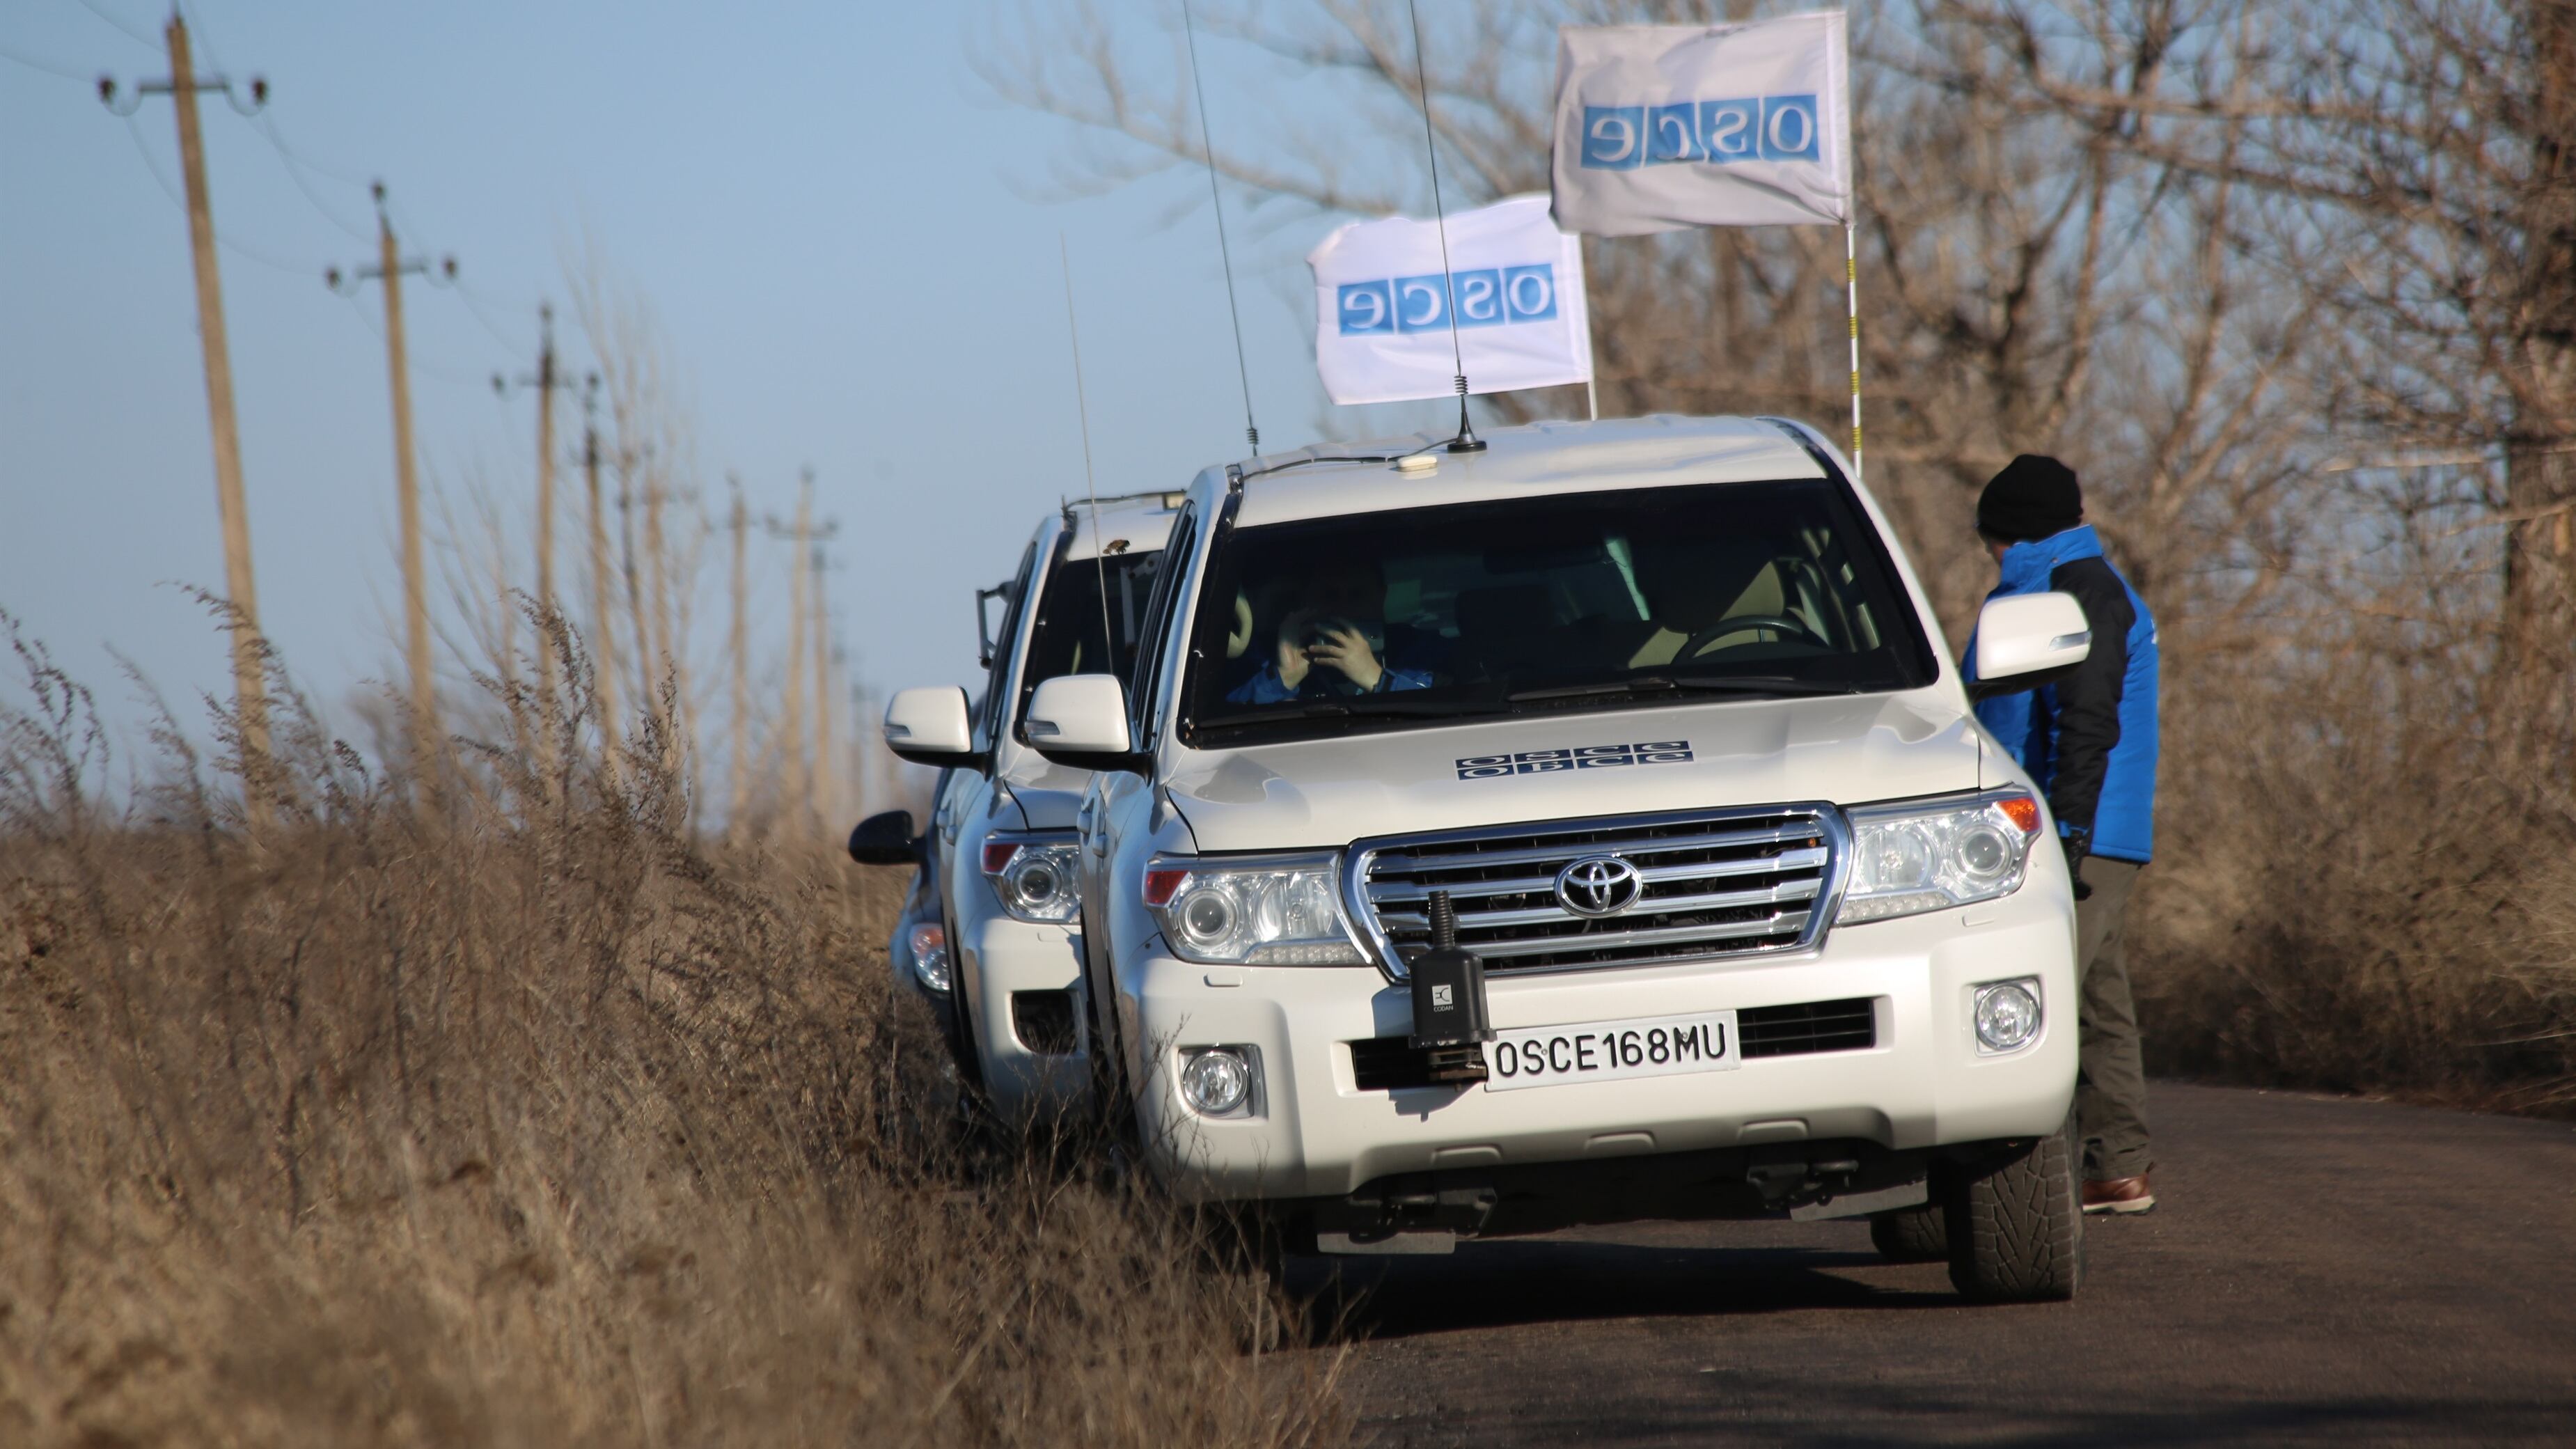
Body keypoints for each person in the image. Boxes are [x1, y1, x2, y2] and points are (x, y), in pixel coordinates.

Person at [1967, 455, 2162, 1216]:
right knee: (2096, 1000)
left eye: (1991, 539)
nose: (1989, 553)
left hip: (2082, 831)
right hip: (2086, 828)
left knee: (2034, 1003)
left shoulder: (2082, 594)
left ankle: (2014, 1187)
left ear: (2013, 536)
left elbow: (2088, 723)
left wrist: (2069, 829)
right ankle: (2116, 1168)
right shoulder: (2063, 586)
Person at [1227, 559, 1434, 703]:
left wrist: (1376, 677)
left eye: (1357, 595)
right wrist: (1283, 677)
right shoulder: (1267, 659)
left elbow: (1445, 707)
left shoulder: (1419, 652)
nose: (1345, 609)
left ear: (1381, 597)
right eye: (1329, 596)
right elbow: (1223, 723)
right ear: (1306, 601)